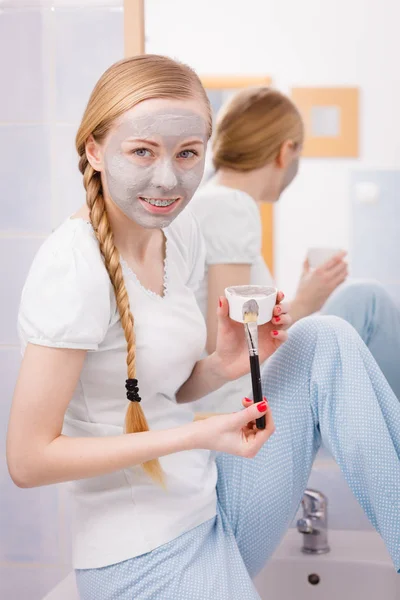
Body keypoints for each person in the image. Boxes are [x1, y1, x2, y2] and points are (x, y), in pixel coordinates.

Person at [6, 56, 400, 600]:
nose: (167, 178)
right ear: (94, 151)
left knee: (325, 337)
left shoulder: (179, 233)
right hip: (144, 557)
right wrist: (197, 434)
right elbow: (27, 460)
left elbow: (165, 389)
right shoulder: (73, 267)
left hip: (211, 504)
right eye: (142, 151)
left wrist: (225, 365)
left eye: (187, 153)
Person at [191, 86, 400, 413]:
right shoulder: (231, 205)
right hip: (238, 401)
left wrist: (300, 301)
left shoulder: (209, 198)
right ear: (286, 151)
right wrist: (304, 304)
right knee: (368, 301)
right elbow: (227, 340)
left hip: (235, 391)